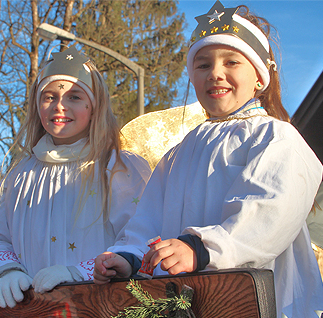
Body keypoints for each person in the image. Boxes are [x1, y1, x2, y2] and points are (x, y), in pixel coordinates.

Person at [93, 2, 323, 316]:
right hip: (191, 302)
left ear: (258, 76)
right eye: (203, 65)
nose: (216, 74)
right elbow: (147, 220)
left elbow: (269, 210)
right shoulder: (179, 152)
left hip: (258, 300)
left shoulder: (275, 136)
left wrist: (201, 249)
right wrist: (129, 257)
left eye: (231, 62)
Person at [0, 48, 151, 308]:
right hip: (31, 309)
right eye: (50, 96)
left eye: (74, 97)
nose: (60, 106)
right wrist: (5, 269)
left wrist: (79, 272)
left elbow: (141, 234)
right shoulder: (18, 175)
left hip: (101, 306)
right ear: (37, 106)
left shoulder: (117, 167)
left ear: (93, 107)